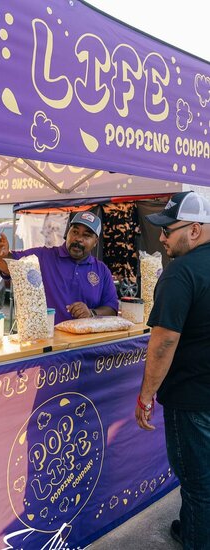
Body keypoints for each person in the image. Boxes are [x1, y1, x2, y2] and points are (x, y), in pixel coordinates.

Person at [135, 191, 210, 549]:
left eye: (169, 230)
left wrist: (146, 394)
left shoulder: (180, 273)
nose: (162, 238)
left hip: (192, 399)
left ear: (194, 230)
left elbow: (163, 342)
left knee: (198, 485)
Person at [0, 211, 118, 323]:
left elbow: (111, 309)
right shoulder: (43, 256)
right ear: (67, 233)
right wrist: (1, 254)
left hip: (85, 345)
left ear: (96, 242)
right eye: (75, 232)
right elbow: (8, 265)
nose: (78, 239)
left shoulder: (101, 270)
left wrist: (91, 313)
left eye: (86, 235)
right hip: (49, 343)